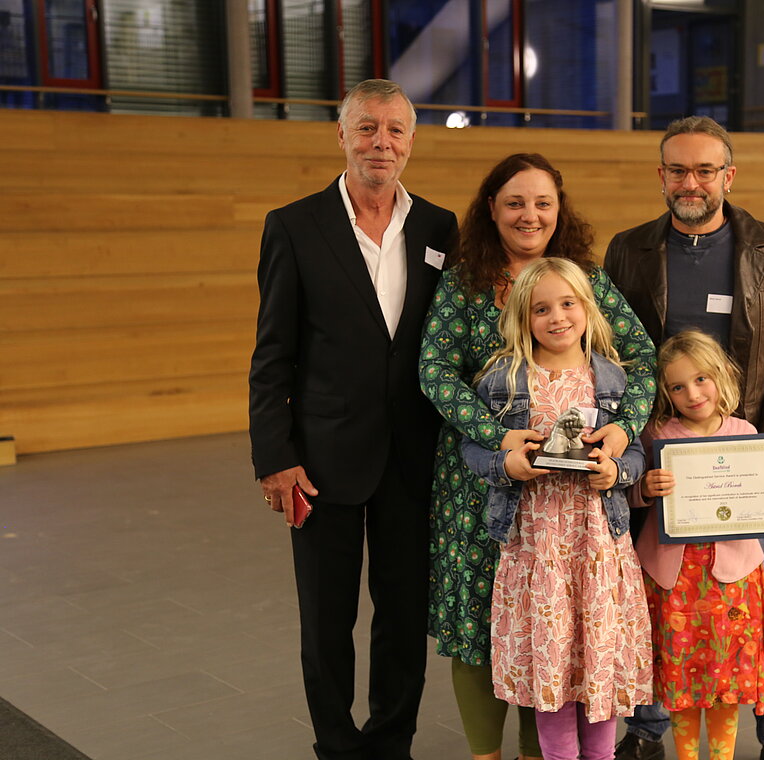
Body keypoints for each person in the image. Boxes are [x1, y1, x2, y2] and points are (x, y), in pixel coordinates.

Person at [419, 153, 657, 760]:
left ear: (560, 209)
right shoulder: (464, 279)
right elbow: (435, 370)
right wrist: (496, 437)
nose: (530, 214)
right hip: (482, 484)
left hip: (576, 507)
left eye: (542, 202)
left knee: (560, 625)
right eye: (515, 202)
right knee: (480, 622)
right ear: (490, 210)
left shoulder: (587, 281)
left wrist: (624, 432)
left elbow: (642, 359)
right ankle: (485, 754)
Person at [249, 79, 458, 760]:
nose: (382, 143)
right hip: (321, 461)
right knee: (326, 620)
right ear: (341, 136)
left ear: (412, 141)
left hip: (413, 460)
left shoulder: (437, 227)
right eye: (367, 128)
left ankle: (390, 742)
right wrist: (274, 455)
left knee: (403, 617)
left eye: (395, 130)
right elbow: (272, 356)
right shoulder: (294, 225)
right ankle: (338, 747)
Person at [604, 116, 764, 760]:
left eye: (704, 170)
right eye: (677, 169)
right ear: (660, 175)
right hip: (656, 454)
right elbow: (609, 354)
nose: (689, 182)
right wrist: (633, 446)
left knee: (763, 603)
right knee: (651, 599)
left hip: (741, 455)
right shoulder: (629, 249)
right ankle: (645, 732)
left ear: (729, 175)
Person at [461, 257, 654, 760]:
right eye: (541, 308)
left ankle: (602, 755)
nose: (557, 317)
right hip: (537, 548)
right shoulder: (503, 379)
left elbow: (632, 450)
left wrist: (619, 472)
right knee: (550, 666)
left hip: (597, 548)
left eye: (568, 303)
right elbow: (471, 448)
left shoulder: (610, 379)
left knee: (600, 659)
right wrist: (507, 464)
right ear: (523, 318)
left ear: (587, 308)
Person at [634, 330, 764, 760]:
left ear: (722, 376)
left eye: (702, 379)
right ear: (665, 392)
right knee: (682, 680)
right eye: (677, 386)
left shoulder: (746, 432)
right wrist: (645, 489)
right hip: (676, 581)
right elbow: (630, 492)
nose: (692, 393)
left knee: (725, 679)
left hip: (733, 580)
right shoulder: (656, 436)